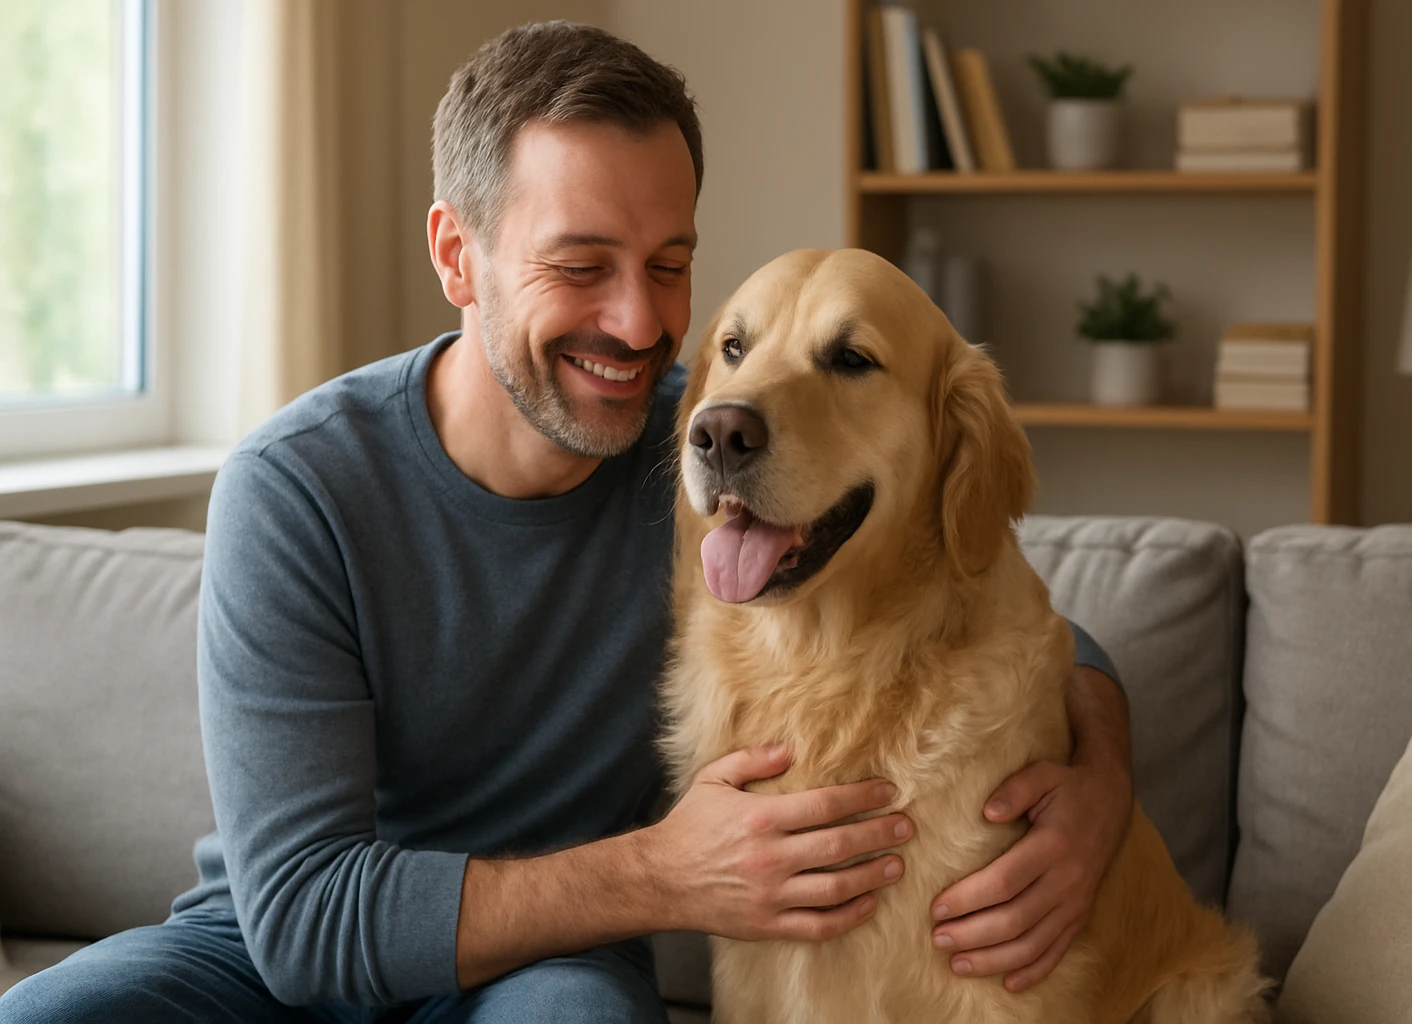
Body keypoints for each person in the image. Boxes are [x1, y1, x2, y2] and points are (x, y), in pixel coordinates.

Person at [0, 21, 1132, 1024]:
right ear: (457, 254)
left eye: (671, 264)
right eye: (582, 266)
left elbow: (986, 607)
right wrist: (666, 875)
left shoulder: (717, 454)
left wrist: (1099, 783)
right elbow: (301, 920)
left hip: (544, 971)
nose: (639, 321)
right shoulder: (296, 488)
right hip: (261, 963)